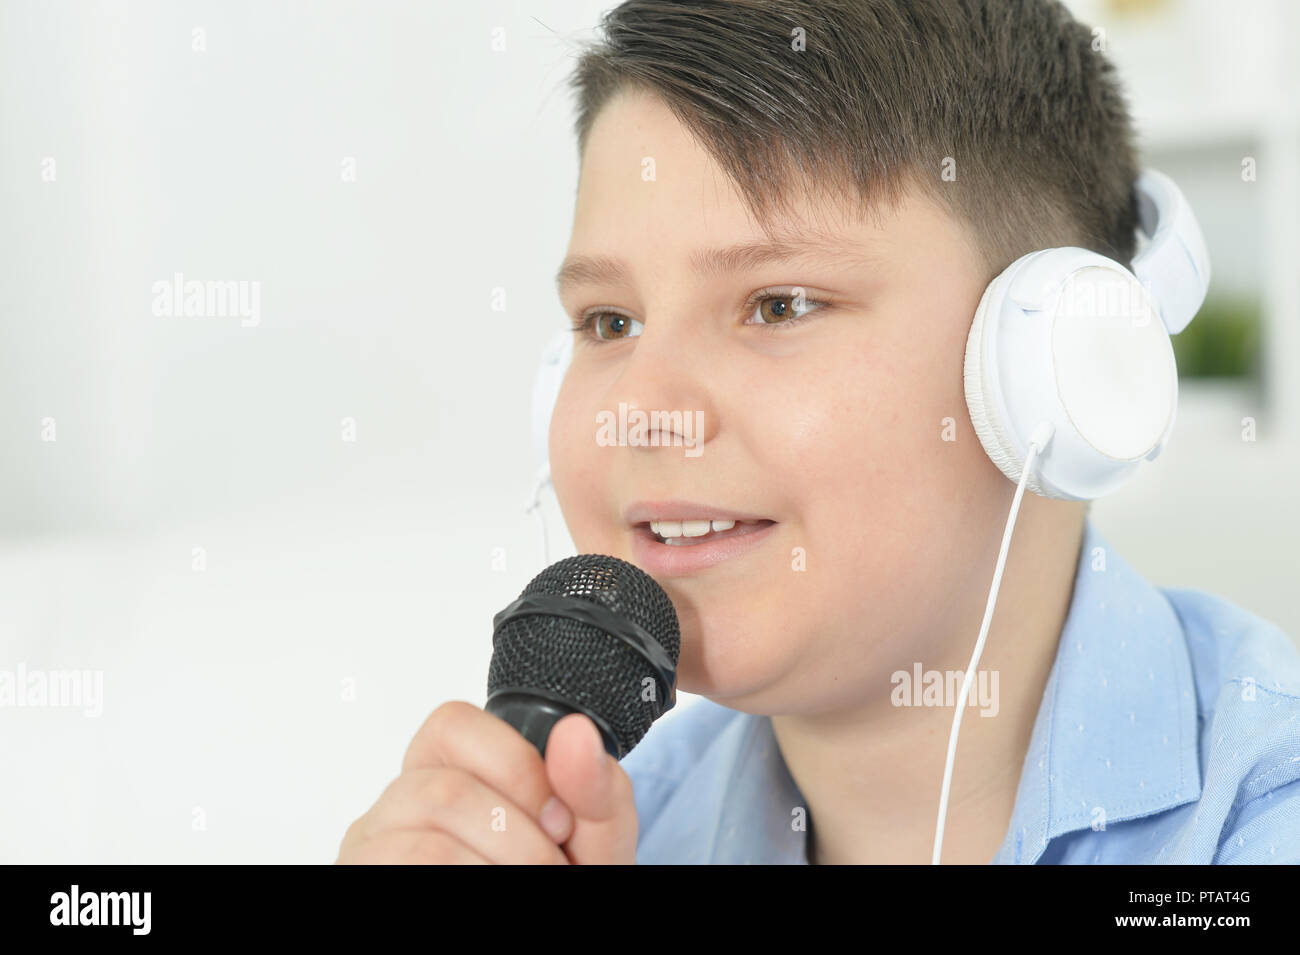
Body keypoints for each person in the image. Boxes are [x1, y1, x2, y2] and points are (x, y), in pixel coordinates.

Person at [336, 0, 1300, 864]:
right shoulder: (611, 830)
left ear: (1054, 366)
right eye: (609, 322)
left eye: (779, 304)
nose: (643, 407)